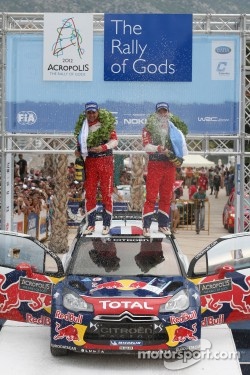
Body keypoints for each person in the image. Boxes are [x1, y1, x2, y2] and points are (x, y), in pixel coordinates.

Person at [142, 102, 188, 237]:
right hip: (155, 164)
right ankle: (146, 226)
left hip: (169, 165)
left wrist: (176, 156)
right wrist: (158, 148)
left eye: (164, 111)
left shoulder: (175, 129)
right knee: (151, 196)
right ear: (156, 113)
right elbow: (146, 146)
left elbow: (181, 148)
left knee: (166, 196)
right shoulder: (148, 128)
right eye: (160, 111)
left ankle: (163, 224)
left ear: (168, 112)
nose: (162, 114)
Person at [76, 101, 118, 235]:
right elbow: (80, 146)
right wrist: (78, 152)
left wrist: (103, 147)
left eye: (94, 112)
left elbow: (115, 141)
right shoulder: (83, 127)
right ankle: (91, 224)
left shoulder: (106, 124)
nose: (92, 115)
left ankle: (106, 224)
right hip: (90, 161)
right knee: (90, 194)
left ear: (98, 112)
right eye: (89, 112)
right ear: (86, 113)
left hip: (105, 160)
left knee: (107, 193)